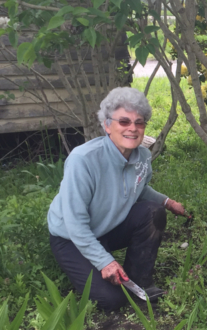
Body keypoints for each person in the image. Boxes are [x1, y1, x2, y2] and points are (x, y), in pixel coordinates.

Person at [48, 87, 187, 311]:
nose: (132, 128)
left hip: (106, 228)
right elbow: (75, 223)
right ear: (107, 125)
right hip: (71, 237)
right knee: (111, 300)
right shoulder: (83, 160)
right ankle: (94, 265)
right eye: (124, 121)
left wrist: (168, 202)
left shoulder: (143, 156)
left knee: (153, 212)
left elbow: (138, 189)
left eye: (139, 122)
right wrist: (104, 262)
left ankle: (140, 281)